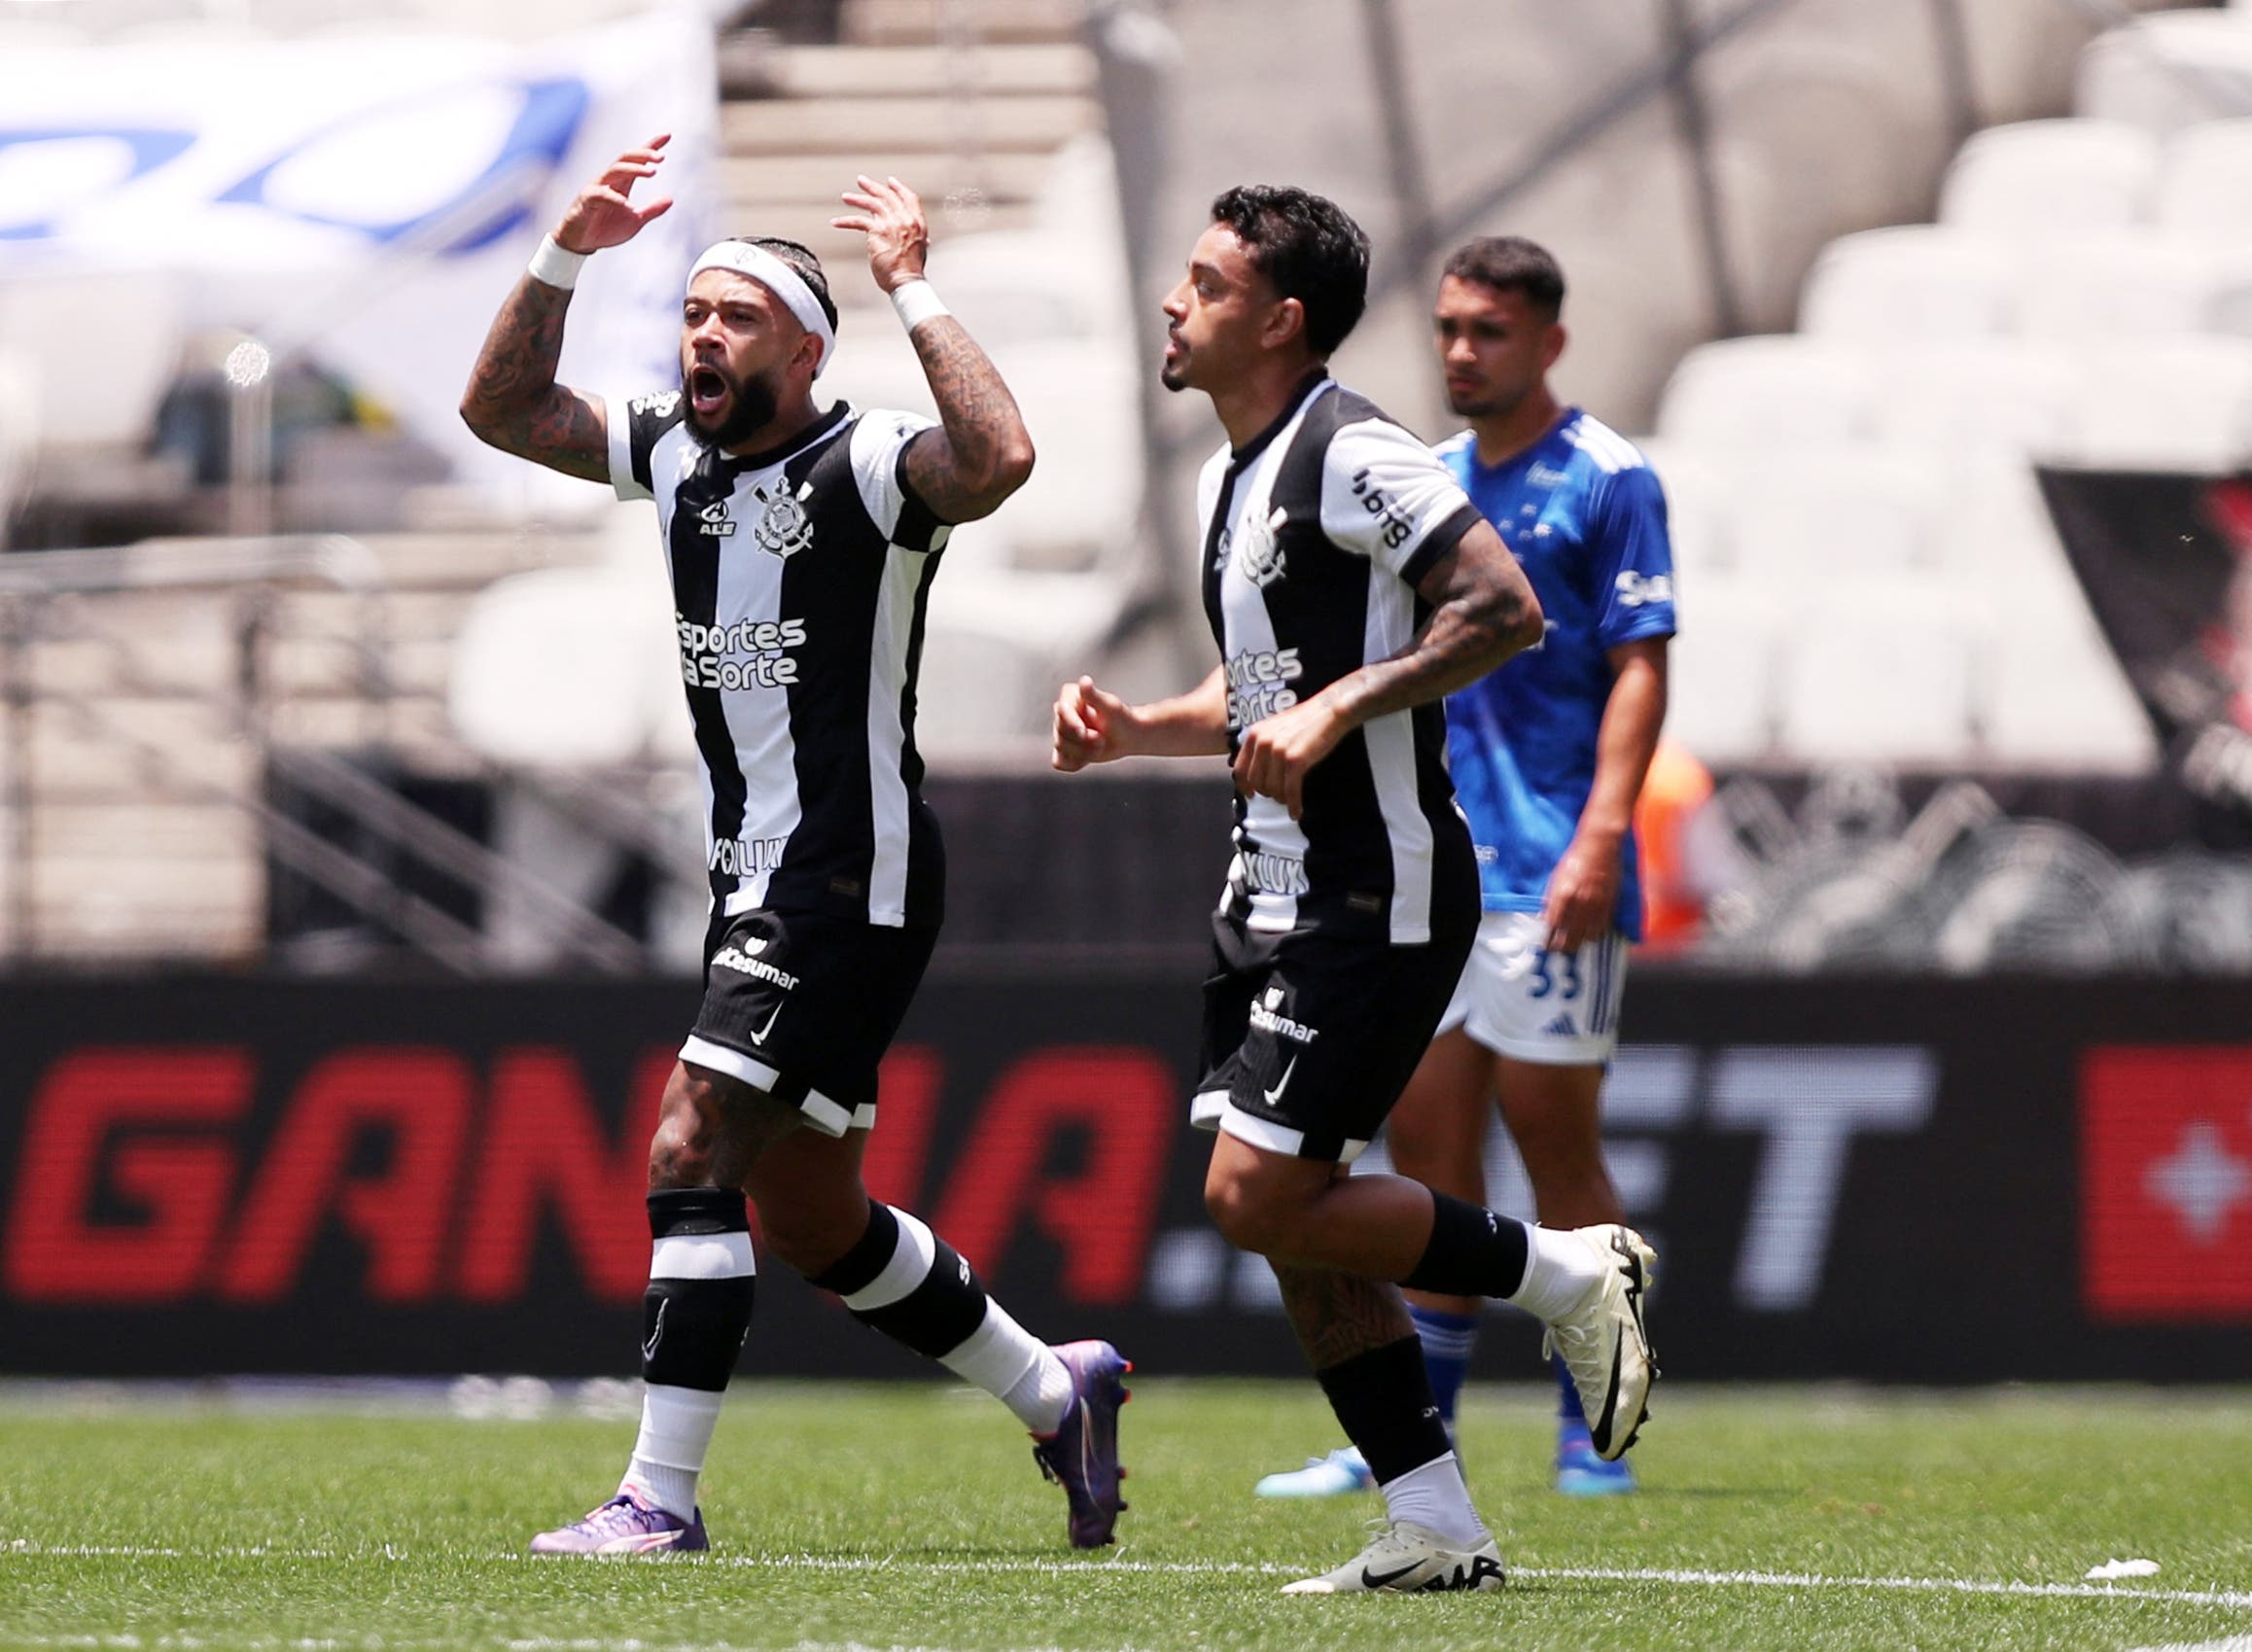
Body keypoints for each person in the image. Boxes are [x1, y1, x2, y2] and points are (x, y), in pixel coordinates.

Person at [460, 135, 1128, 1557]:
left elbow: (1001, 456)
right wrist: (566, 249)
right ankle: (1051, 1387)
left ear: (810, 350)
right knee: (819, 1221)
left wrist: (917, 289)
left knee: (690, 1136)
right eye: (694, 311)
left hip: (845, 869)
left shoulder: (872, 459)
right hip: (757, 874)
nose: (703, 334)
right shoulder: (672, 452)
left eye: (736, 315)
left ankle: (660, 1499)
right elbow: (503, 408)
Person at [1050, 188, 1657, 1595]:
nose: (1172, 301)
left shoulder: (1352, 447)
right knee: (1299, 1232)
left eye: (1203, 283)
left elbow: (1505, 607)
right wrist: (1143, 728)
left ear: (1280, 320)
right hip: (1265, 890)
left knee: (1258, 1195)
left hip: (1373, 886)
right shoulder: (1226, 478)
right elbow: (1266, 689)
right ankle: (1436, 1524)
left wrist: (1337, 716)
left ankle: (1572, 1275)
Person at [1252, 235, 1679, 1504]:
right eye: (1446, 327)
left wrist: (1606, 833)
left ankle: (1590, 1424)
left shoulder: (1611, 478)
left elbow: (1641, 664)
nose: (1460, 351)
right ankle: (1412, 1431)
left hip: (1557, 862)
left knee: (1558, 1144)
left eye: (1488, 331)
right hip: (1436, 869)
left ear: (1548, 342)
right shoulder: (1419, 481)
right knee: (1430, 1149)